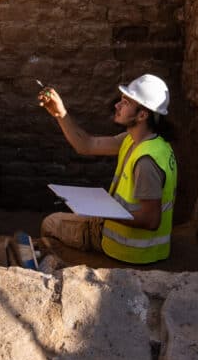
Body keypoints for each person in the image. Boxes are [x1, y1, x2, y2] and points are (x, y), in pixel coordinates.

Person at [38, 74, 177, 264]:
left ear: (142, 115)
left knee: (49, 224)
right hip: (124, 237)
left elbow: (151, 220)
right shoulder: (138, 141)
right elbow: (86, 145)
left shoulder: (146, 162)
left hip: (127, 250)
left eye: (126, 102)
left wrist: (104, 212)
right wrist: (60, 114)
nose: (117, 106)